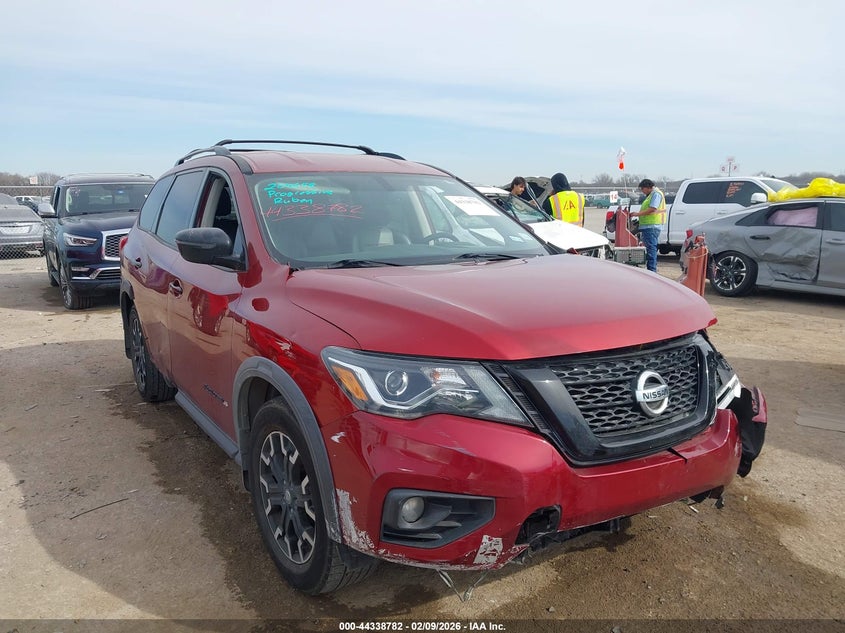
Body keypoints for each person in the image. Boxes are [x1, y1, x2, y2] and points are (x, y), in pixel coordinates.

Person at [631, 178, 666, 272]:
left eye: (642, 189)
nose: (642, 192)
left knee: (651, 250)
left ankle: (651, 271)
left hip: (652, 226)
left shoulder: (656, 194)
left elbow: (652, 209)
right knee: (650, 249)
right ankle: (651, 270)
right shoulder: (652, 194)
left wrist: (637, 214)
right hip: (649, 226)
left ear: (647, 187)